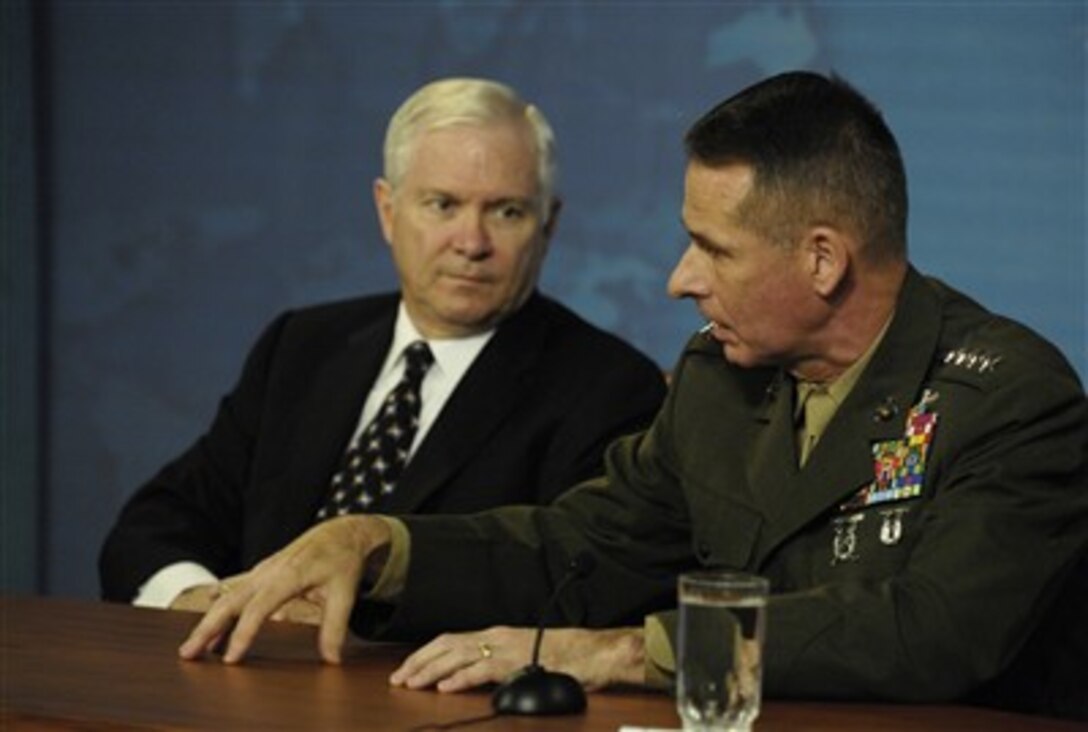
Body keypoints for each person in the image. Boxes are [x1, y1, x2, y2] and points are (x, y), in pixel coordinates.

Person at [176, 71, 1087, 719]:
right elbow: (581, 547)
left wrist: (631, 651)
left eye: (714, 248)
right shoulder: (717, 384)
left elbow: (931, 630)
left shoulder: (1012, 398)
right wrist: (382, 546)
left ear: (821, 258)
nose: (679, 279)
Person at [99, 77, 667, 613]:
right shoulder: (303, 346)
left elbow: (564, 588)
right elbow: (156, 524)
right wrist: (200, 604)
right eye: (442, 205)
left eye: (507, 211)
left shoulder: (607, 390)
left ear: (548, 225)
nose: (471, 242)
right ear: (387, 210)